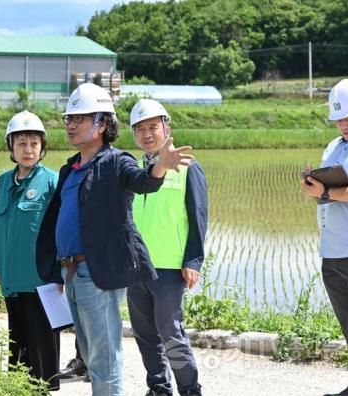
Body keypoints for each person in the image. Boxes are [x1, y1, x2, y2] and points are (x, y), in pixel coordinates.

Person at [36, 82, 194, 395]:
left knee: (105, 358)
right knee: (89, 354)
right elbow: (58, 219)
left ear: (103, 124)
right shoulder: (71, 169)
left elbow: (141, 181)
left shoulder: (116, 161)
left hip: (96, 272)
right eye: (69, 118)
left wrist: (159, 166)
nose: (70, 124)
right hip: (70, 273)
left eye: (79, 118)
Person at [127, 99, 207, 396]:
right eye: (140, 129)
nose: (147, 134)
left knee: (171, 332)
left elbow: (199, 215)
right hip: (136, 268)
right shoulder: (133, 170)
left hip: (170, 267)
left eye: (152, 127)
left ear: (166, 128)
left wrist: (194, 260)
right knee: (145, 334)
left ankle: (190, 390)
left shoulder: (187, 167)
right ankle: (159, 388)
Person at [301, 79, 348, 396]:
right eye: (339, 119)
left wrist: (328, 190)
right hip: (332, 253)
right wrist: (314, 187)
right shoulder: (333, 146)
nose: (344, 125)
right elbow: (329, 196)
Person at [0, 110, 60, 390]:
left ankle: (42, 391)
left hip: (41, 278)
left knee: (42, 340)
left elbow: (61, 229)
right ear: (11, 147)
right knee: (17, 339)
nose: (28, 150)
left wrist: (60, 271)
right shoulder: (3, 183)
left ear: (42, 147)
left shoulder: (52, 181)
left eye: (33, 143)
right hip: (11, 278)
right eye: (21, 144)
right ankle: (18, 389)